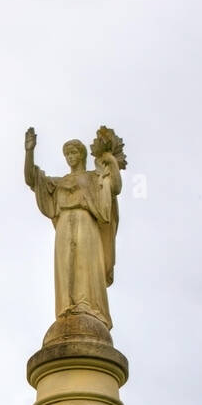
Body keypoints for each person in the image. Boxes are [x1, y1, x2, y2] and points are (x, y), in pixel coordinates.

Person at [24, 127, 123, 333]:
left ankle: (88, 307)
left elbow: (114, 187)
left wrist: (109, 159)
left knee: (85, 264)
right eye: (67, 154)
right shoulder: (59, 182)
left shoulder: (92, 178)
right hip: (64, 225)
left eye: (74, 153)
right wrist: (29, 152)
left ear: (82, 155)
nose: (70, 157)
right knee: (66, 266)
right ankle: (67, 307)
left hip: (86, 221)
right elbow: (32, 179)